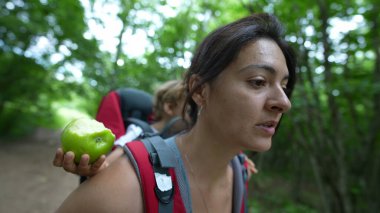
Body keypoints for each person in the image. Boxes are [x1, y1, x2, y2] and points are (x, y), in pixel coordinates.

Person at [56, 13, 295, 212]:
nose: (284, 102)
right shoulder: (128, 184)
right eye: (258, 81)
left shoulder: (241, 173)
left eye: (284, 87)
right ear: (200, 91)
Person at [53, 79, 189, 177]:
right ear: (170, 107)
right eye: (190, 111)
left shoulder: (181, 141)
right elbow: (107, 166)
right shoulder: (138, 132)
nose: (195, 117)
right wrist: (95, 170)